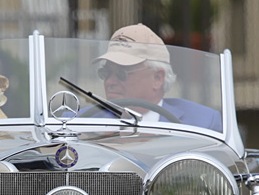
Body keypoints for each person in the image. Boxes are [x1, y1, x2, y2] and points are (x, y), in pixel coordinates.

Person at [89, 23, 222, 132]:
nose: (110, 82)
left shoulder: (202, 123)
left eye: (121, 74)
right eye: (105, 73)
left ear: (157, 78)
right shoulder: (80, 122)